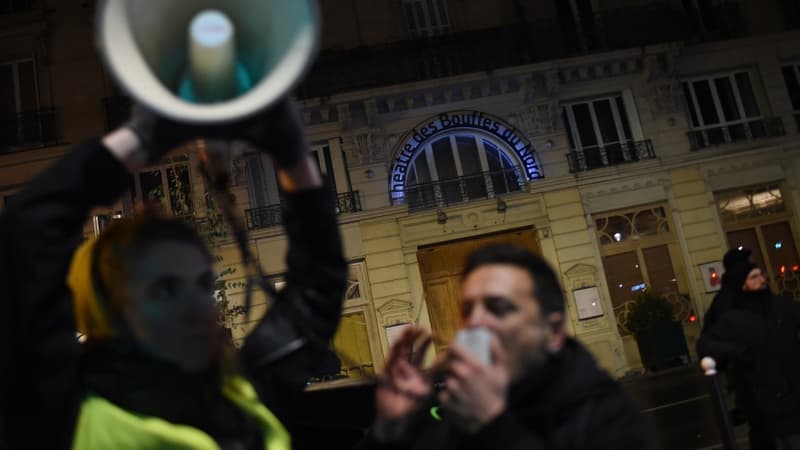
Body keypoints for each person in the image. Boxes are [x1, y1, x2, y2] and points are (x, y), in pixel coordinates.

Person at [0, 101, 347, 449]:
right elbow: (28, 228)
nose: (199, 307)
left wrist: (295, 158)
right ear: (111, 311)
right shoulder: (61, 414)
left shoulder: (238, 395)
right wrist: (150, 134)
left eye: (204, 285)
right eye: (165, 290)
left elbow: (316, 290)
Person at [359, 244, 654, 450]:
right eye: (467, 309)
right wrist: (389, 431)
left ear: (551, 331)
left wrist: (492, 427)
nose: (474, 322)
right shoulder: (450, 408)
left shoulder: (604, 415)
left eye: (498, 308)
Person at [698, 262, 800, 449]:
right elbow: (706, 345)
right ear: (742, 284)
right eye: (754, 277)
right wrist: (738, 351)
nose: (761, 280)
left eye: (761, 275)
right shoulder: (735, 319)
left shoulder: (782, 306)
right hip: (768, 396)